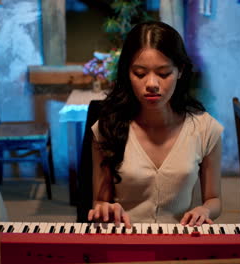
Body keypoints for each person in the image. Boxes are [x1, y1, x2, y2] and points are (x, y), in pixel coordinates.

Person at [88, 21, 224, 228]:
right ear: (127, 73)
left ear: (180, 70)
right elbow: (99, 201)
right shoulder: (108, 129)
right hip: (125, 240)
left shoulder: (205, 129)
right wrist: (104, 208)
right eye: (140, 74)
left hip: (180, 241)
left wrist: (204, 210)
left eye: (163, 73)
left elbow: (214, 199)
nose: (152, 84)